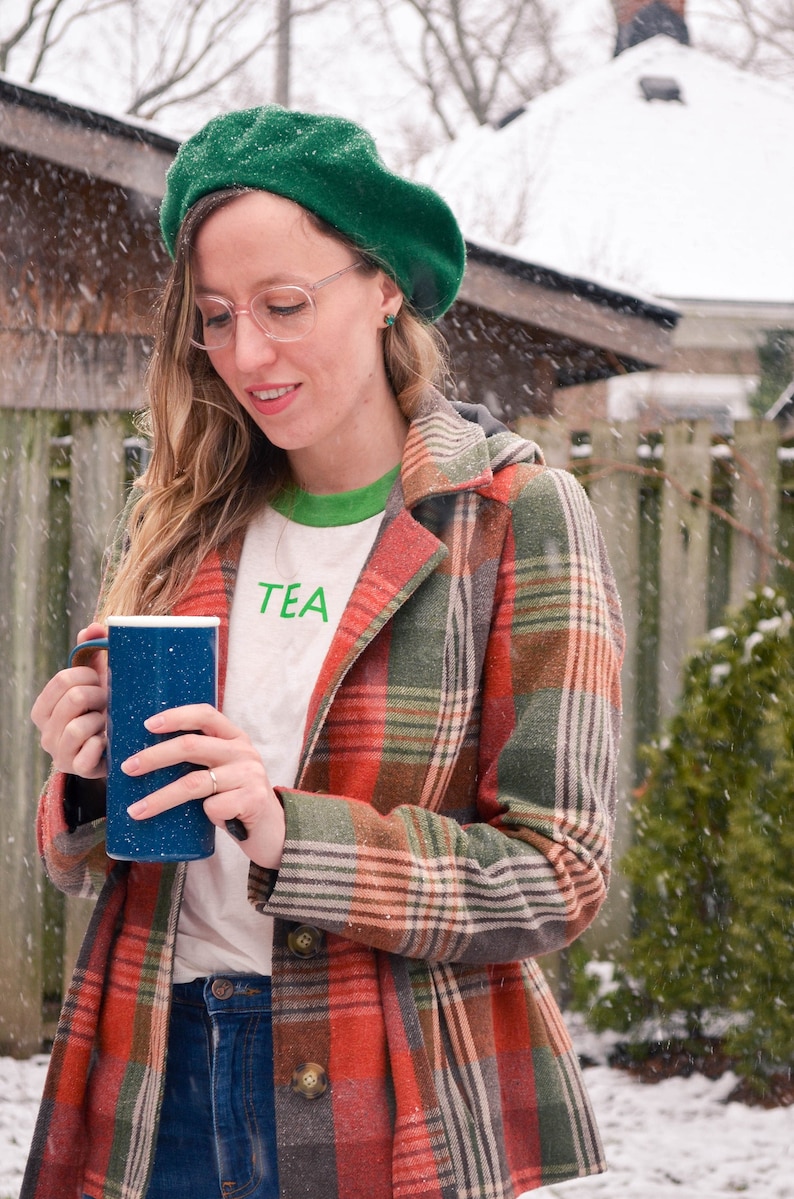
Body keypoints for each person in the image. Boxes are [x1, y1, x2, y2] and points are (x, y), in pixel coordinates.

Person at [24, 105, 624, 1199]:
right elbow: (91, 867)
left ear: (384, 284)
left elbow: (558, 871)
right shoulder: (191, 513)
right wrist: (89, 780)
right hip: (148, 1075)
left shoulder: (512, 516)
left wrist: (290, 830)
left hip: (383, 1089)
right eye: (214, 317)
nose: (246, 353)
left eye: (285, 305)